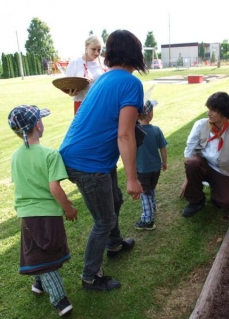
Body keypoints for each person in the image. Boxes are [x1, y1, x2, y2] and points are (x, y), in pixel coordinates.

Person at [59, 29, 148, 291]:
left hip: (88, 157)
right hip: (87, 164)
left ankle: (115, 244)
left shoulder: (105, 78)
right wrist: (132, 178)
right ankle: (90, 277)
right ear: (135, 53)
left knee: (115, 199)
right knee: (103, 220)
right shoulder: (131, 83)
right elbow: (125, 135)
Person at [7, 105, 78, 317]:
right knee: (48, 252)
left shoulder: (15, 157)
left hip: (26, 215)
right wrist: (69, 208)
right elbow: (54, 188)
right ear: (38, 125)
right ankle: (59, 299)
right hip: (47, 215)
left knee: (38, 249)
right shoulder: (50, 154)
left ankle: (38, 283)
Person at [180, 92, 229, 222]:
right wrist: (188, 180)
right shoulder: (200, 124)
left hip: (224, 172)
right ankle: (196, 201)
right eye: (209, 109)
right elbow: (190, 151)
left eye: (213, 110)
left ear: (224, 113)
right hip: (203, 166)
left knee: (228, 202)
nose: (208, 113)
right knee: (192, 163)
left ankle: (217, 195)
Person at [134, 100, 168, 231]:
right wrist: (164, 163)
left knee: (145, 193)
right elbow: (163, 148)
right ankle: (152, 208)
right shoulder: (156, 130)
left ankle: (147, 220)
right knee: (151, 188)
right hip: (155, 168)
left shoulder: (134, 132)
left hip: (142, 169)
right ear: (150, 115)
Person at [66, 35, 107, 114]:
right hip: (82, 104)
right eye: (93, 49)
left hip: (102, 104)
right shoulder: (75, 62)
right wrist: (70, 92)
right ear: (86, 46)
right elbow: (68, 84)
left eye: (99, 50)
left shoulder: (105, 62)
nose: (97, 53)